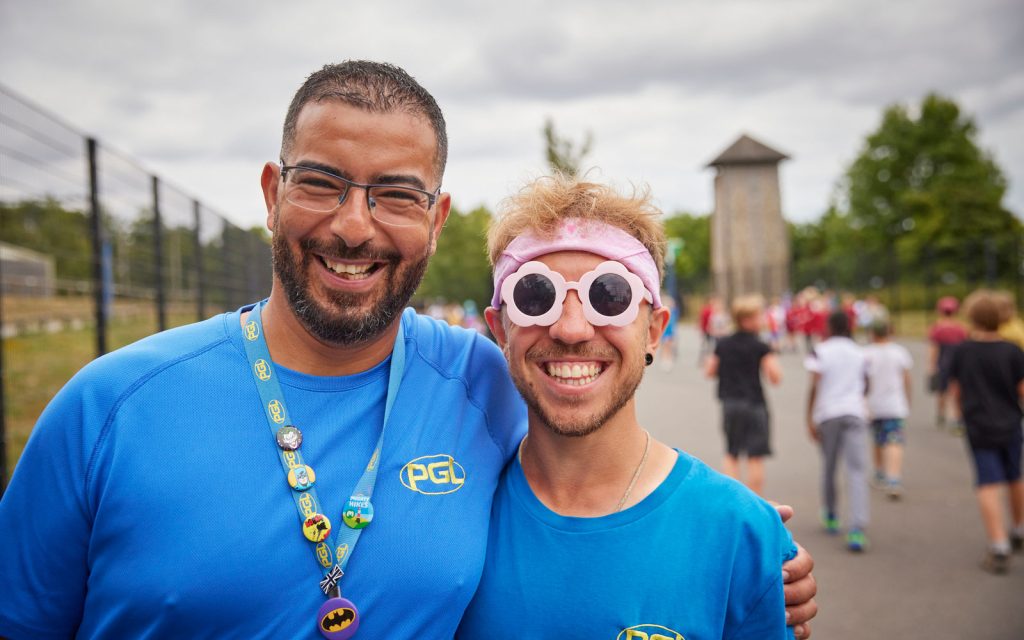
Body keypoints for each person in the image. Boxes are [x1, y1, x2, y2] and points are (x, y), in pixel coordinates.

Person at [0, 61, 818, 639]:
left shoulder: (482, 382)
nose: (353, 225)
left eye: (395, 194)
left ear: (435, 218)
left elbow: (598, 464)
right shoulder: (106, 408)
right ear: (270, 193)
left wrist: (738, 544)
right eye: (320, 182)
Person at [458, 176, 814, 639]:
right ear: (501, 331)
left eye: (609, 296)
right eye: (535, 296)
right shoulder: (450, 518)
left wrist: (740, 535)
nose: (571, 329)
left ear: (653, 331)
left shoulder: (738, 533)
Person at [948, 290, 1024, 574]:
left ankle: (999, 543)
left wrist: (959, 414)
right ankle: (1018, 527)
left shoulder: (963, 351)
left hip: (979, 424)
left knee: (988, 483)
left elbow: (956, 389)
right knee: (1015, 476)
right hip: (1010, 422)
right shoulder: (1013, 351)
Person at [805, 310, 870, 552]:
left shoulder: (821, 350)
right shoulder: (859, 351)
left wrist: (809, 417)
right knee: (856, 469)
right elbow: (866, 384)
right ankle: (857, 527)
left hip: (828, 413)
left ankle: (831, 514)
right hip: (854, 411)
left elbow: (814, 385)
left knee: (829, 466)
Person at [705, 294, 783, 495]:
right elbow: (775, 377)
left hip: (730, 403)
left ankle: (733, 501)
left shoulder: (723, 344)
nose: (763, 320)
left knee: (732, 453)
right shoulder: (760, 346)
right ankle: (754, 502)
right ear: (747, 319)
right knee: (755, 456)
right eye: (759, 316)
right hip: (755, 404)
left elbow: (710, 371)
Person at [863, 319, 913, 500]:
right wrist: (907, 399)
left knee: (877, 439)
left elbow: (862, 381)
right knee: (894, 440)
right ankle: (894, 478)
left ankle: (879, 471)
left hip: (873, 404)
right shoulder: (899, 352)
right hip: (894, 404)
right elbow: (906, 378)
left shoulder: (866, 353)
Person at [928, 295, 968, 430]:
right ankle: (958, 416)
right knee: (956, 390)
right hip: (959, 364)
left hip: (943, 363)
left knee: (941, 391)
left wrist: (932, 366)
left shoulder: (937, 328)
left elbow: (934, 349)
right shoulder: (961, 328)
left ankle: (941, 414)